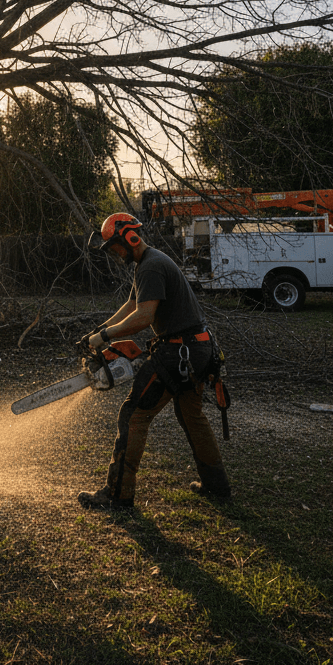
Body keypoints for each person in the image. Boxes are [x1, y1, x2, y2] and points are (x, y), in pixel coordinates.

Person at [78, 212, 231, 512]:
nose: (114, 253)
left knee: (134, 415)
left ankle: (117, 494)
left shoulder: (151, 266)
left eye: (115, 247)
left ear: (130, 238)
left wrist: (106, 335)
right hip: (197, 349)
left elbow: (144, 317)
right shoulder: (150, 263)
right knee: (191, 416)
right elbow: (132, 305)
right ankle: (217, 484)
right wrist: (100, 332)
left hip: (178, 352)